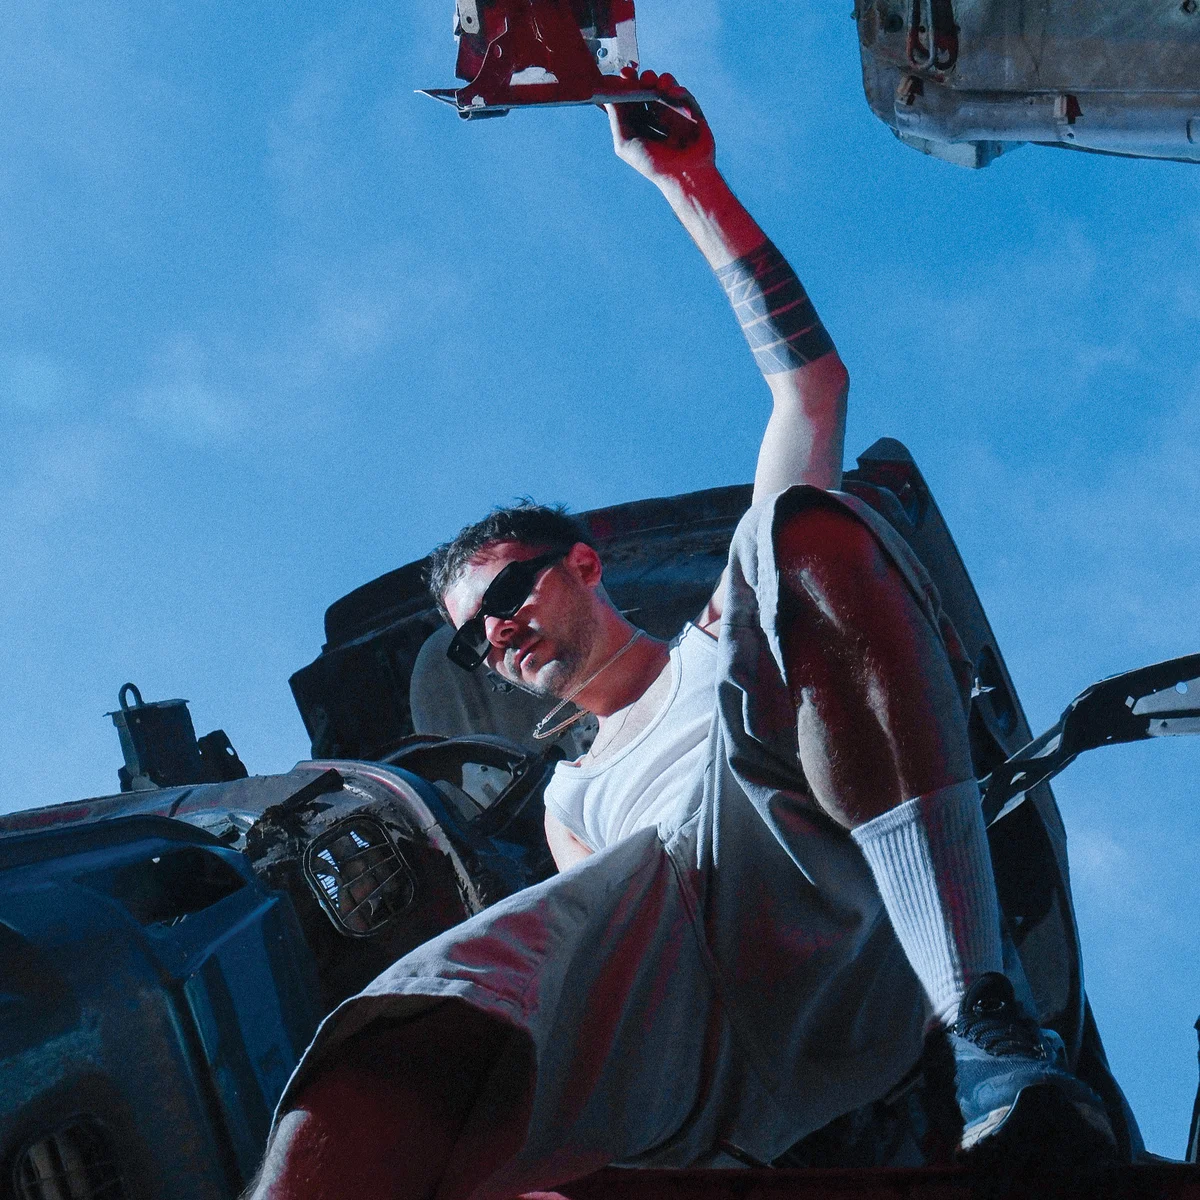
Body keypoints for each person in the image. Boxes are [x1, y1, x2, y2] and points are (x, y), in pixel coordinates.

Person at [248, 72, 1114, 1200]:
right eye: (473, 642)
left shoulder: (720, 648)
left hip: (829, 917)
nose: (496, 636)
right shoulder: (569, 805)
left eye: (505, 594)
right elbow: (601, 952)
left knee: (801, 532)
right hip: (703, 1019)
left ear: (582, 564)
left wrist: (690, 183)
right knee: (395, 1033)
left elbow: (812, 389)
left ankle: (984, 1026)